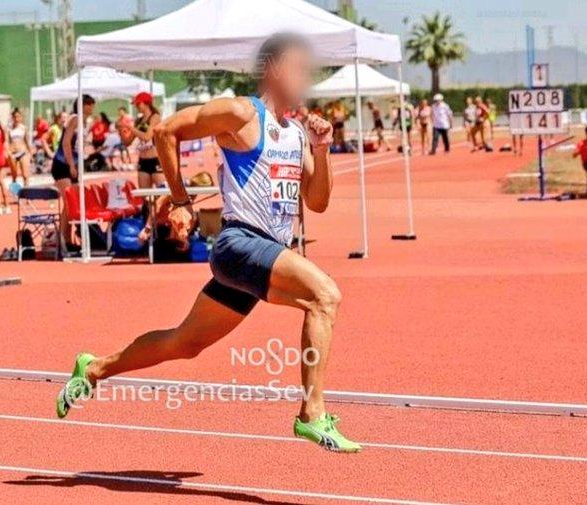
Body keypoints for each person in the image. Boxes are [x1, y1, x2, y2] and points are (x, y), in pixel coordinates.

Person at [56, 33, 360, 453]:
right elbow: (164, 131)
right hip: (239, 244)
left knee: (184, 343)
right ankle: (312, 414)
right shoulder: (241, 113)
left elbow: (319, 202)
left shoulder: (294, 134)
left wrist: (322, 149)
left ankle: (93, 368)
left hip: (265, 254)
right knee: (324, 296)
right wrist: (180, 198)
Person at [52, 94, 96, 247]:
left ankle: (67, 236)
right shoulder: (75, 119)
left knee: (73, 203)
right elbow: (66, 143)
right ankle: (65, 238)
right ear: (82, 105)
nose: (92, 108)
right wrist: (71, 164)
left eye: (92, 105)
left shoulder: (84, 122)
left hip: (73, 164)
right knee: (69, 202)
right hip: (62, 164)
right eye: (89, 105)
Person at [129, 92, 164, 188]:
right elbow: (128, 142)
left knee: (161, 194)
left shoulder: (155, 117)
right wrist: (121, 130)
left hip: (156, 160)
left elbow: (147, 137)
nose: (136, 106)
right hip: (143, 161)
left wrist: (132, 129)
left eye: (138, 104)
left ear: (146, 103)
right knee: (145, 196)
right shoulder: (138, 120)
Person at [7, 109, 32, 186]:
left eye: (18, 117)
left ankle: (27, 195)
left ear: (21, 118)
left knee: (25, 175)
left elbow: (27, 141)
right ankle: (15, 194)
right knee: (14, 176)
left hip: (23, 152)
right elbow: (7, 142)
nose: (16, 119)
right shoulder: (9, 129)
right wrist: (8, 152)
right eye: (15, 117)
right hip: (13, 153)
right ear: (12, 118)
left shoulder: (24, 128)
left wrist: (30, 154)